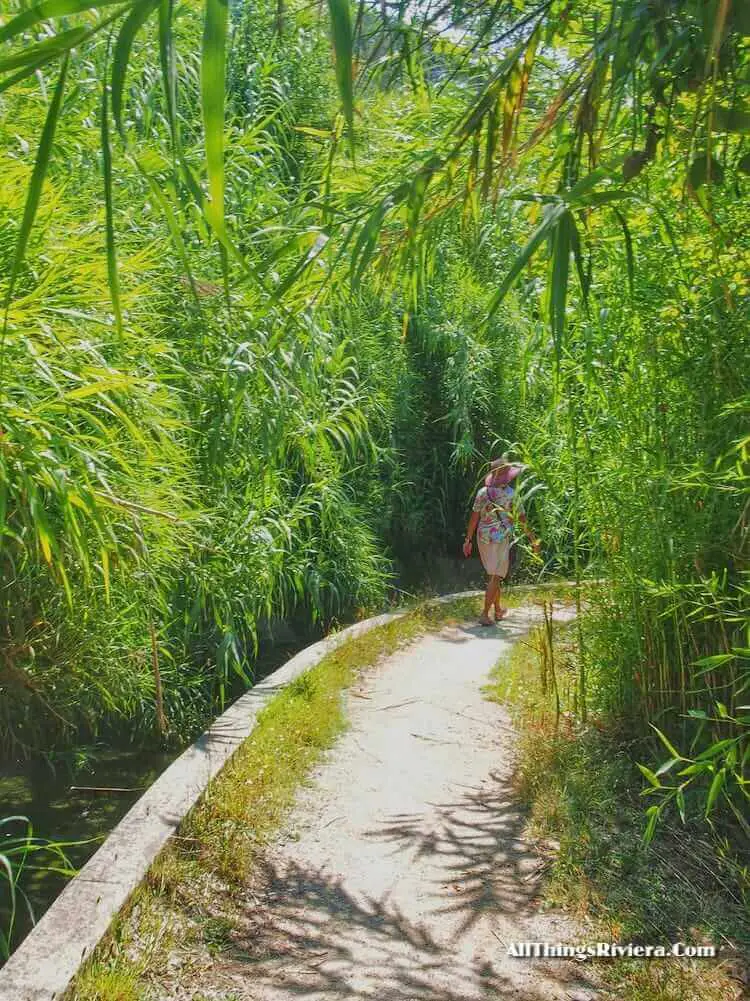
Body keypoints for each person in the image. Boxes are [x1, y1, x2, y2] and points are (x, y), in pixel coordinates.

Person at [462, 456, 541, 626]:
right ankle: (484, 614)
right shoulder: (511, 494)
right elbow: (522, 519)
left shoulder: (483, 492)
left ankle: (497, 610)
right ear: (508, 476)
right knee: (496, 576)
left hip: (482, 537)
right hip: (501, 539)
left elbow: (474, 517)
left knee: (493, 575)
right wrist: (533, 540)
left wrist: (468, 540)